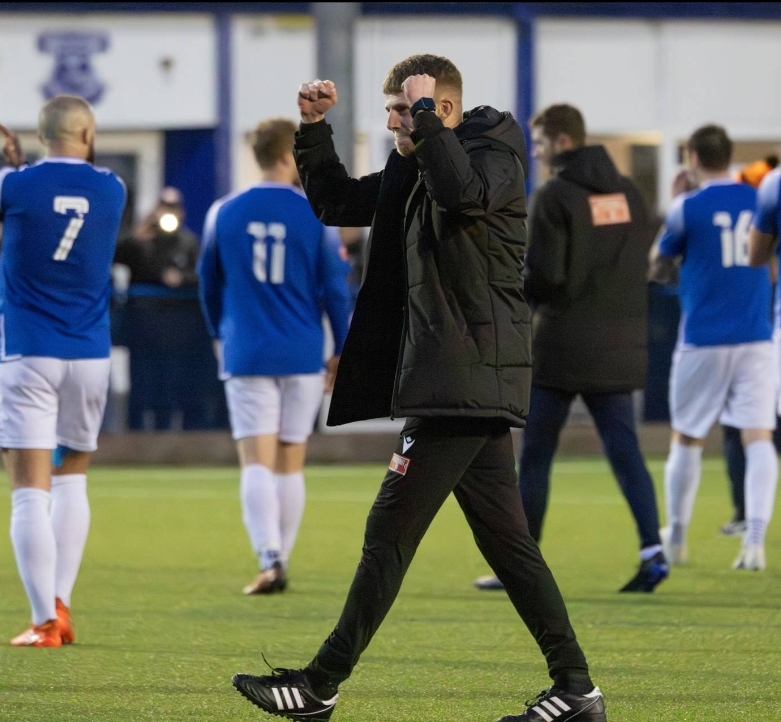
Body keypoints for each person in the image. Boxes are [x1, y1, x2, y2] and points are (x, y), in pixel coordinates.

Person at [230, 55, 606, 722]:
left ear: (445, 108)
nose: (394, 123)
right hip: (454, 377)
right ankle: (576, 691)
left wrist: (425, 120)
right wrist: (313, 130)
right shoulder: (420, 162)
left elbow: (461, 192)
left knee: (388, 531)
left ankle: (319, 683)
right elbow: (337, 203)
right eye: (392, 113)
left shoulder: (493, 155)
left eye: (404, 110)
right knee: (509, 546)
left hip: (460, 375)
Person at [474, 104, 667, 594]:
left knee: (536, 453)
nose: (534, 154)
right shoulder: (629, 193)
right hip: (619, 344)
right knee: (626, 452)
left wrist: (515, 291)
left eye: (537, 144)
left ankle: (519, 564)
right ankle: (652, 550)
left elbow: (548, 275)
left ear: (561, 142)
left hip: (561, 346)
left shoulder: (555, 196)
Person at [198, 118, 351, 595]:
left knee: (256, 463)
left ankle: (270, 558)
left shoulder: (223, 212)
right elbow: (335, 290)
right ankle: (281, 557)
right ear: (288, 157)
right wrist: (342, 348)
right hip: (303, 350)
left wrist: (217, 335)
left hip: (247, 350)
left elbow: (208, 283)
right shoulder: (315, 214)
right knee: (290, 459)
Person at [0, 96, 126, 646]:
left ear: (40, 133)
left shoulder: (14, 185)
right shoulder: (112, 188)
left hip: (30, 351)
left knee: (29, 486)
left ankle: (43, 619)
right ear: (88, 132)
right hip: (90, 354)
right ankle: (62, 606)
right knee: (73, 473)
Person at [650, 124, 777, 571]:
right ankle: (756, 542)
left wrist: (672, 203)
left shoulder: (688, 206)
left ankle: (678, 536)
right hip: (757, 336)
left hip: (703, 337)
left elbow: (657, 266)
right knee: (759, 435)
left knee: (687, 437)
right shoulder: (760, 196)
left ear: (692, 158)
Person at [114, 187, 217, 430]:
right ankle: (134, 437)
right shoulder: (142, 241)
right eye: (164, 208)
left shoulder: (187, 241)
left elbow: (204, 274)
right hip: (142, 326)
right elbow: (115, 254)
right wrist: (136, 235)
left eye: (173, 209)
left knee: (170, 385)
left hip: (177, 330)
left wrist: (181, 278)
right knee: (140, 384)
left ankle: (167, 439)